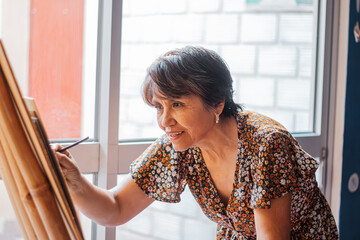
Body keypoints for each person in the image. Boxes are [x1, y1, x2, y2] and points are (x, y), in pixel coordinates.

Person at [54, 46, 339, 239]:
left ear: (216, 103)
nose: (165, 121)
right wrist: (74, 180)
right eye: (158, 107)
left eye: (177, 104)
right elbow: (115, 208)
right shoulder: (179, 144)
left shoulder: (267, 144)